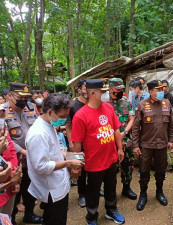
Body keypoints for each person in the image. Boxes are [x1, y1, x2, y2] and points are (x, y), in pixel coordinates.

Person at [71, 79, 125, 225]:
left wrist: (119, 148)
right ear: (93, 93)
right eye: (103, 92)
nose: (106, 94)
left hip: (111, 158)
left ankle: (111, 211)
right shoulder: (81, 115)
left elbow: (115, 129)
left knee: (111, 187)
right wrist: (76, 164)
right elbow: (77, 143)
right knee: (93, 191)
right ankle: (92, 216)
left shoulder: (108, 108)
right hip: (94, 162)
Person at [25, 93, 84, 225]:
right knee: (54, 219)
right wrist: (69, 163)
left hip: (58, 183)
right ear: (50, 111)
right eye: (62, 116)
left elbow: (54, 151)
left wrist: (71, 155)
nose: (64, 120)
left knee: (60, 218)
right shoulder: (38, 133)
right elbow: (41, 166)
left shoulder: (49, 125)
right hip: (51, 188)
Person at [132, 80, 173, 211]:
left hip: (162, 144)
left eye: (162, 89)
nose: (162, 92)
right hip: (146, 144)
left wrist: (171, 139)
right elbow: (135, 128)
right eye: (158, 90)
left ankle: (159, 192)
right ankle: (143, 194)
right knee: (144, 171)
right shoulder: (142, 105)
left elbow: (171, 124)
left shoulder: (167, 103)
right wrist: (135, 145)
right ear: (150, 92)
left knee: (161, 170)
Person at [3, 83, 42, 225]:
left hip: (32, 159)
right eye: (20, 97)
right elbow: (6, 139)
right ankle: (10, 218)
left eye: (26, 97)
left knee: (30, 187)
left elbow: (39, 128)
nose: (24, 100)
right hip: (14, 160)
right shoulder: (3, 112)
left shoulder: (31, 108)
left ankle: (29, 213)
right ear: (9, 96)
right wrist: (23, 151)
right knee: (14, 190)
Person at [106, 78, 137, 200]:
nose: (120, 91)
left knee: (128, 164)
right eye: (117, 89)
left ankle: (126, 188)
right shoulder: (104, 103)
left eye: (121, 88)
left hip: (126, 138)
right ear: (110, 89)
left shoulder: (126, 101)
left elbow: (132, 119)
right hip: (110, 141)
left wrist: (124, 133)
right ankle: (110, 192)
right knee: (110, 168)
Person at [65, 79, 88, 208]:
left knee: (93, 168)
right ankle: (82, 194)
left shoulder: (93, 103)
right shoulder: (73, 105)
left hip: (91, 143)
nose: (87, 91)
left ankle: (93, 189)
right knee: (80, 169)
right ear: (79, 90)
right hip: (77, 143)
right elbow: (68, 126)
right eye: (85, 88)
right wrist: (71, 143)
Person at [0, 106, 22, 216]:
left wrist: (14, 178)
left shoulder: (3, 127)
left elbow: (12, 151)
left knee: (7, 217)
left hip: (9, 184)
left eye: (1, 113)